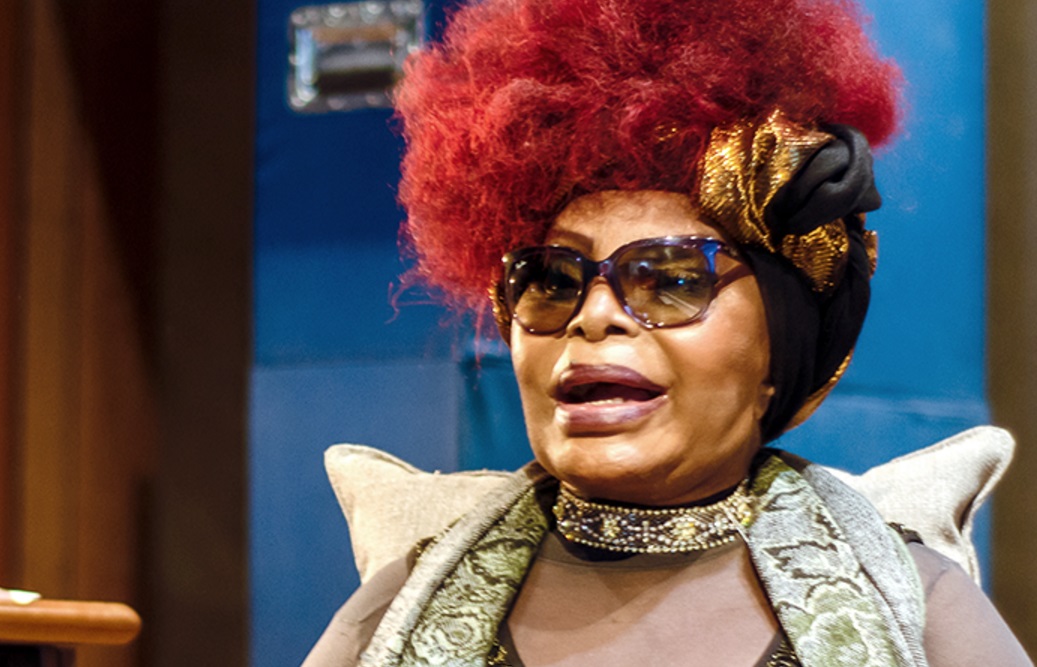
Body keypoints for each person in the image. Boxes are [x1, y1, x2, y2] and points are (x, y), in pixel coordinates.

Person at [303, 0, 1035, 664]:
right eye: (552, 279)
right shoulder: (400, 606)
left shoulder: (912, 603)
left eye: (674, 279)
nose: (594, 314)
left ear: (777, 354)